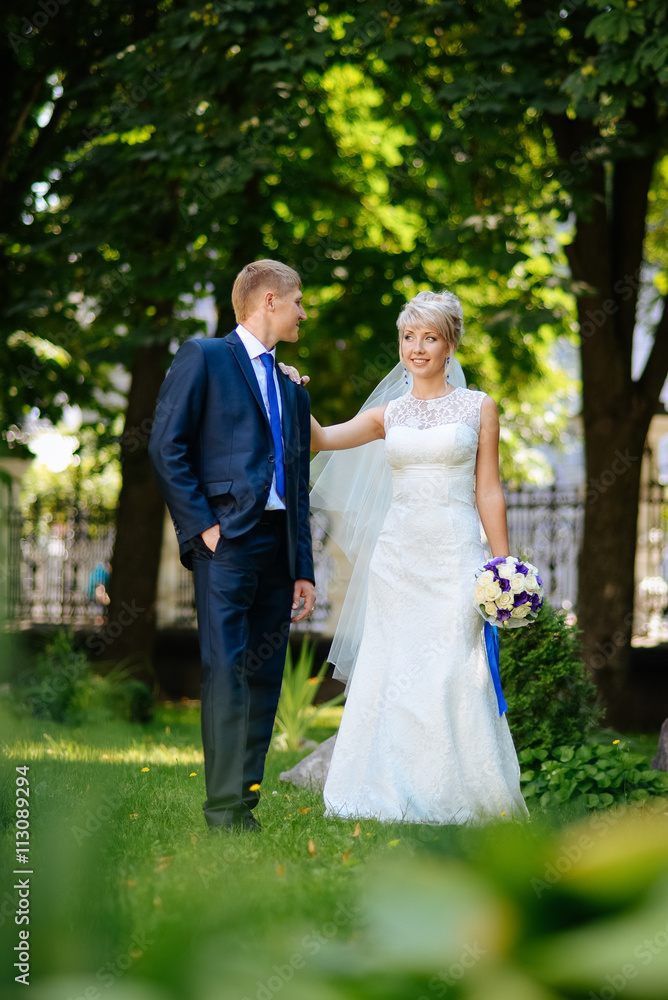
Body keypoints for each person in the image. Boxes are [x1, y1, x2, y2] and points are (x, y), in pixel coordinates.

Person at [296, 290, 528, 824]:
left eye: (429, 338)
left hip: (455, 557)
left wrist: (503, 565)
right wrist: (291, 393)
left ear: (450, 346)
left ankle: (461, 795)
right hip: (397, 560)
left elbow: (488, 490)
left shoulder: (479, 407)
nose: (416, 348)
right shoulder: (388, 414)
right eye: (408, 337)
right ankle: (385, 789)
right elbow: (323, 439)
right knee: (392, 669)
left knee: (453, 670)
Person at [149, 259, 316, 833]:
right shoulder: (205, 356)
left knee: (265, 675)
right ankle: (221, 810)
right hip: (225, 544)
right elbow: (166, 446)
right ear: (269, 301)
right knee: (225, 672)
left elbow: (298, 483)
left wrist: (304, 568)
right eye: (298, 301)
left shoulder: (294, 388)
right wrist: (203, 528)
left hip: (277, 546)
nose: (303, 311)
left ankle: (244, 803)